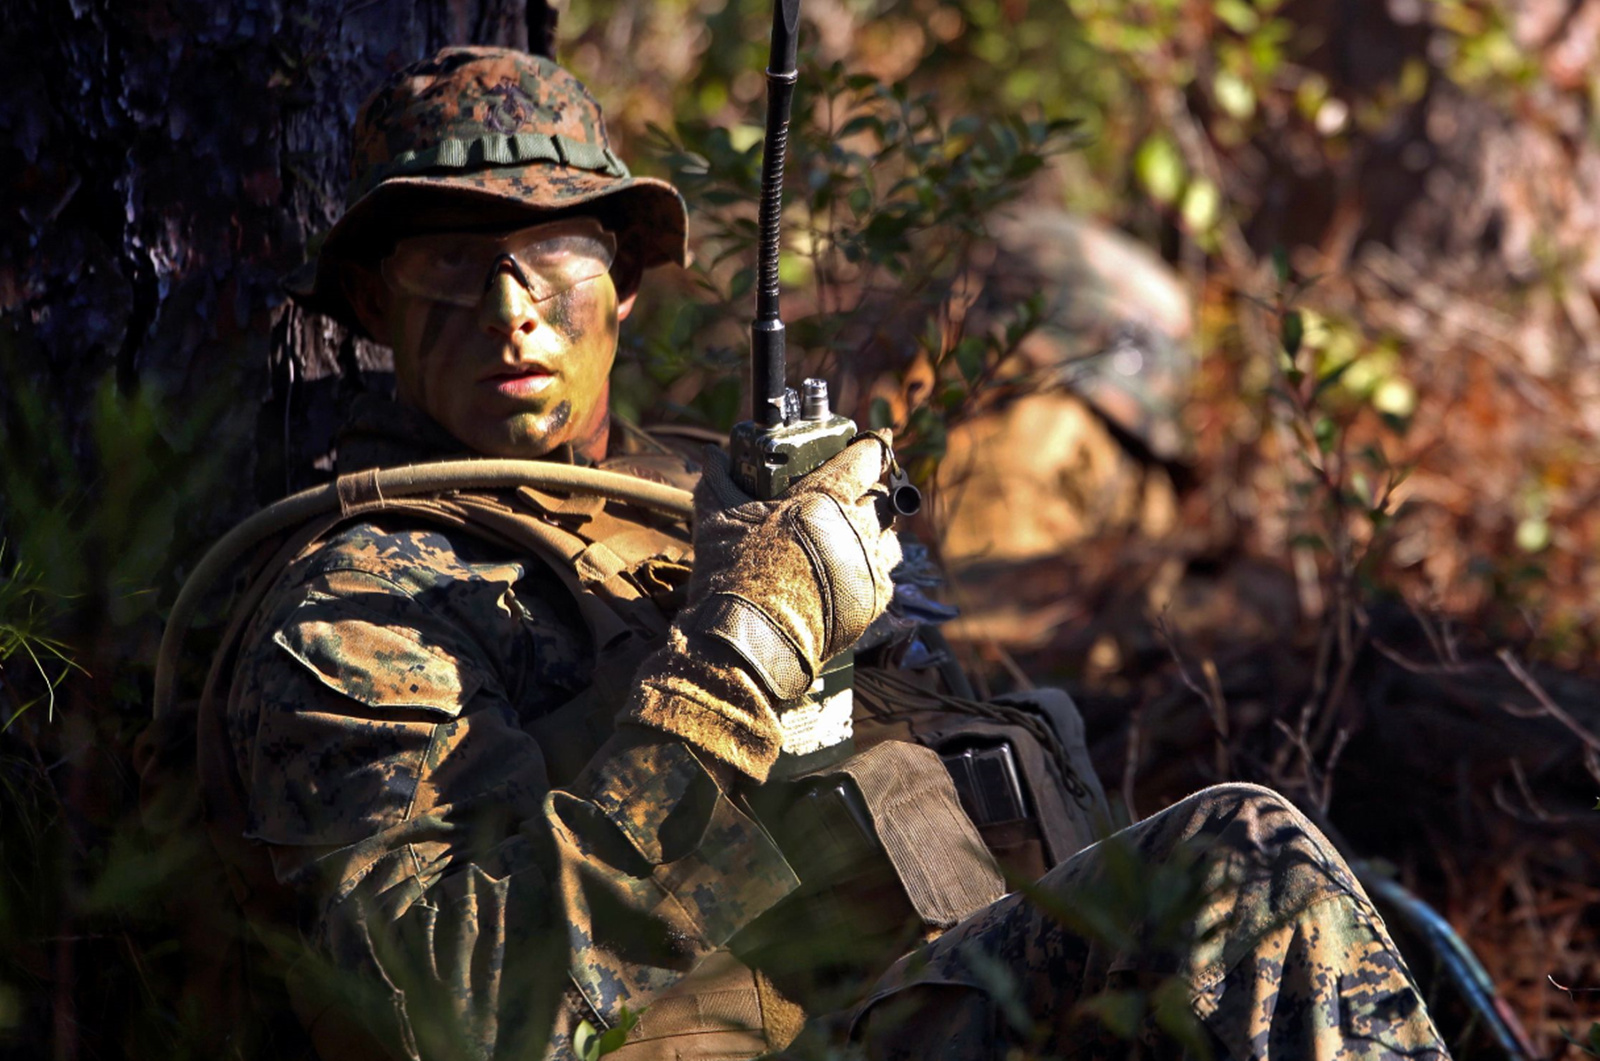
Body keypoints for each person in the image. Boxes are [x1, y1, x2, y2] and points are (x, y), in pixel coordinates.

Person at [188, 45, 1451, 1061]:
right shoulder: (360, 603)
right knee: (1238, 854)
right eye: (452, 268)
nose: (510, 308)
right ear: (375, 308)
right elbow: (455, 1012)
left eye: (550, 256)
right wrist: (741, 654)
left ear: (623, 281)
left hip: (930, 989)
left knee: (1264, 889)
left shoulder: (714, 490)